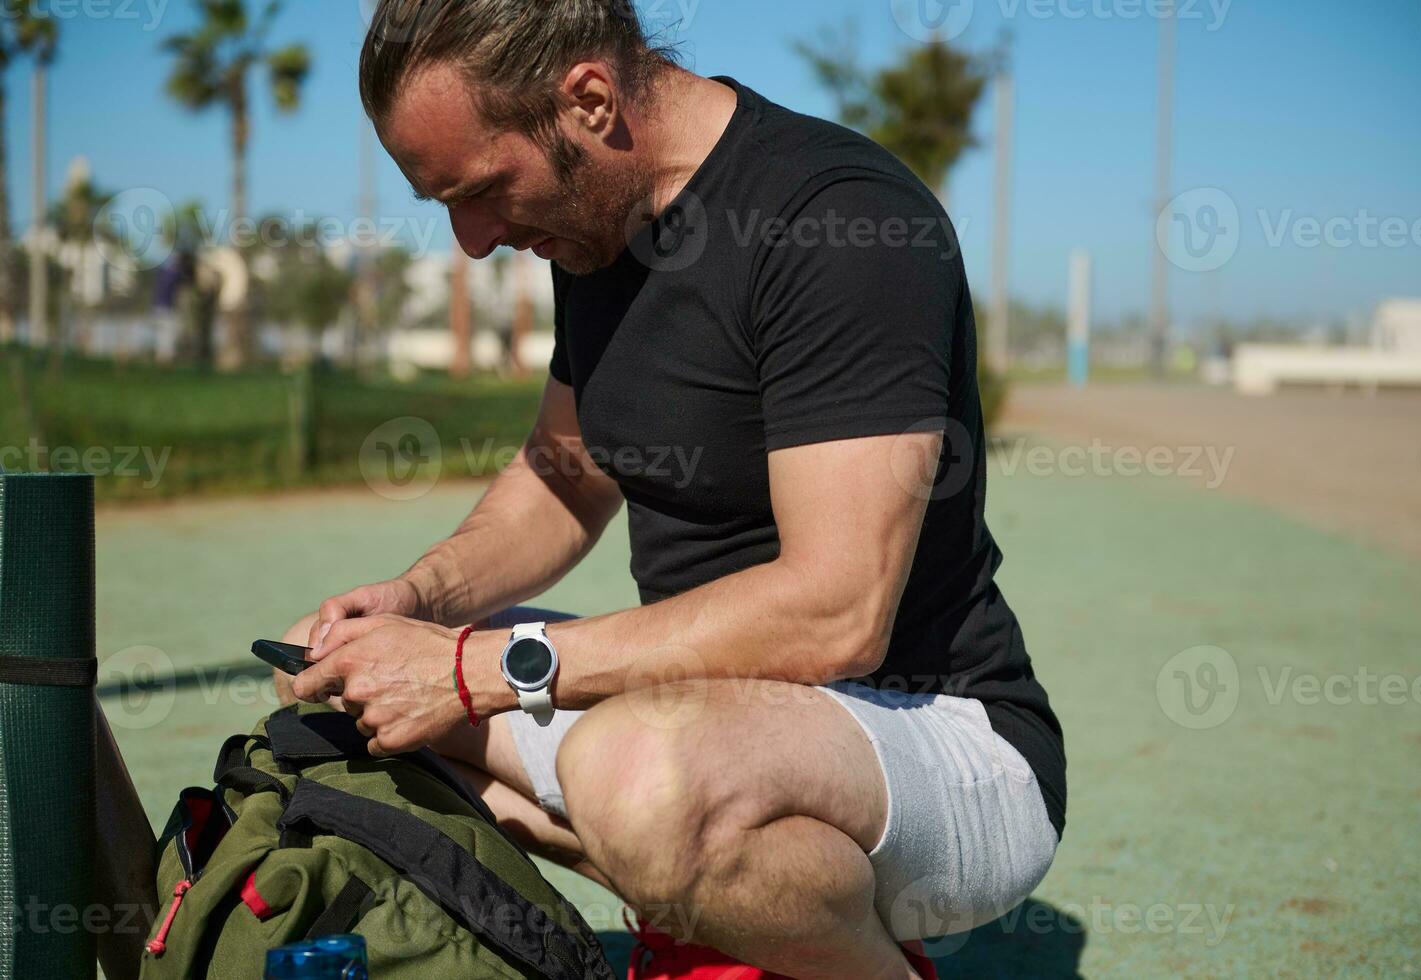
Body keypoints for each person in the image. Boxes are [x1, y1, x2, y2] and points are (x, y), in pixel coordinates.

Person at [281, 3, 1066, 978]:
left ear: (592, 101)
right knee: (341, 688)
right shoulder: (591, 223)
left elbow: (835, 615)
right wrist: (418, 606)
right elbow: (562, 478)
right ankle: (718, 905)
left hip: (939, 737)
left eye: (482, 190)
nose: (474, 240)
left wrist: (476, 668)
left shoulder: (839, 218)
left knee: (634, 776)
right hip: (709, 724)